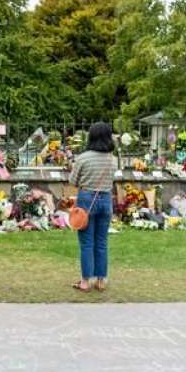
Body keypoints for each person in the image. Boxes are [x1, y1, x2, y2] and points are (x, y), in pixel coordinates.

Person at [69, 122, 117, 292]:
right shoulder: (113, 159)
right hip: (105, 199)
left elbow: (73, 181)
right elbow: (112, 180)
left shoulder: (83, 158)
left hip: (86, 200)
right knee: (102, 242)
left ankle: (85, 282)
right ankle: (101, 281)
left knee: (87, 243)